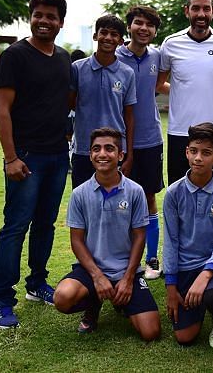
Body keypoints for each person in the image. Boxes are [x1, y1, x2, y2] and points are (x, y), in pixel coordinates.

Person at [0, 0, 71, 329]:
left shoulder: (64, 58)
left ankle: (37, 284)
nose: (44, 21)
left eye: (51, 17)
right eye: (39, 15)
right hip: (25, 156)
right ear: (30, 17)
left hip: (56, 156)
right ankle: (2, 299)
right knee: (15, 226)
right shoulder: (14, 56)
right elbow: (2, 108)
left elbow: (63, 103)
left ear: (61, 23)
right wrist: (10, 157)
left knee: (45, 224)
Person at [52, 128, 161, 340]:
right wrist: (98, 276)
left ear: (120, 155)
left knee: (151, 332)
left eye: (109, 149)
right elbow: (76, 240)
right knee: (62, 298)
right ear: (90, 155)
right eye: (96, 149)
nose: (102, 154)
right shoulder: (79, 194)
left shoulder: (135, 191)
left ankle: (122, 300)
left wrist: (128, 279)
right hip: (92, 270)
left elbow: (140, 236)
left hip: (125, 270)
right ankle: (94, 304)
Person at [162, 122, 213, 348]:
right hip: (185, 266)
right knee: (184, 337)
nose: (198, 158)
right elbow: (171, 241)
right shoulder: (174, 193)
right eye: (193, 151)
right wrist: (171, 287)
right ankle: (199, 301)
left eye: (206, 153)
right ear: (186, 152)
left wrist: (204, 276)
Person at [157, 0, 213, 184]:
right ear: (187, 11)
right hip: (180, 132)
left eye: (206, 9)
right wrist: (182, 90)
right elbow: (159, 84)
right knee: (178, 192)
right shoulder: (170, 43)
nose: (201, 14)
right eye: (196, 8)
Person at [116, 6, 164, 280]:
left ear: (155, 31)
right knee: (121, 201)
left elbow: (158, 86)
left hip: (151, 139)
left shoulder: (157, 56)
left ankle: (152, 259)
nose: (144, 28)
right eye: (138, 23)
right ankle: (123, 261)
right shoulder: (116, 56)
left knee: (149, 199)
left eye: (149, 25)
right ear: (130, 26)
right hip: (119, 142)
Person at [69, 15, 136, 189]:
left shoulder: (127, 73)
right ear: (95, 36)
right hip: (84, 149)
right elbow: (68, 106)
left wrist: (129, 155)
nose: (108, 38)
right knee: (82, 200)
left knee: (113, 201)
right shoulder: (77, 68)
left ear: (121, 41)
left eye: (114, 34)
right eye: (103, 32)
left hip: (114, 150)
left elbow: (129, 116)